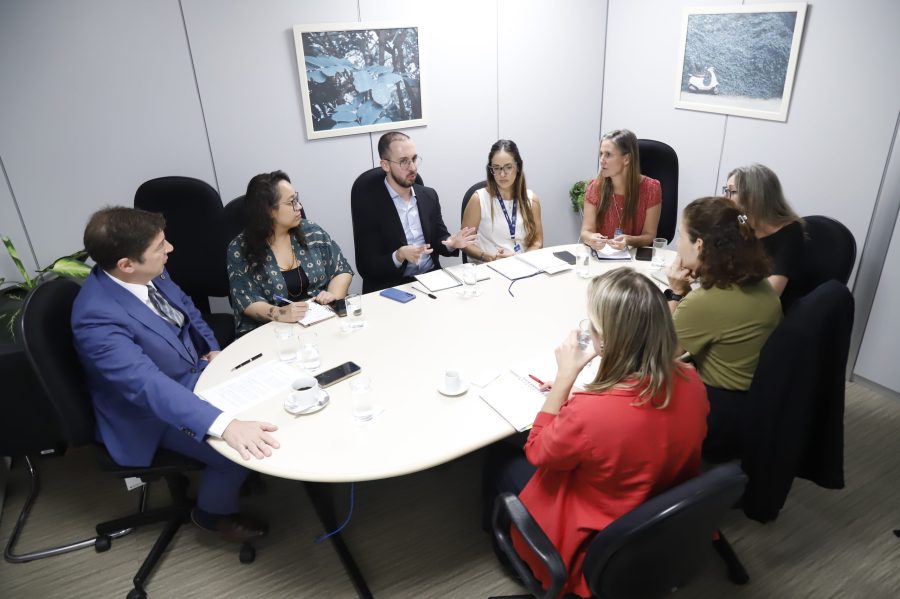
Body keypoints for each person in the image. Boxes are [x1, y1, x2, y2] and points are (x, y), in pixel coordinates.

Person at [486, 269, 709, 598]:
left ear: (605, 338)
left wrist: (565, 378)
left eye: (592, 324)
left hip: (597, 536)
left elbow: (537, 450)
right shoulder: (692, 380)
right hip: (654, 511)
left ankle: (510, 553)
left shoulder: (593, 413)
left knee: (500, 460)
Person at [72, 207, 279, 542]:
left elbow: (189, 310)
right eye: (160, 246)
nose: (169, 249)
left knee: (268, 392)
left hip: (192, 371)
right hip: (148, 410)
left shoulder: (148, 271)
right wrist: (226, 425)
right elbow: (147, 386)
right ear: (126, 264)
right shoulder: (96, 318)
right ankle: (211, 515)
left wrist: (213, 350)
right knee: (232, 454)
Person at [665, 196, 782, 460]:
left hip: (720, 414)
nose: (677, 244)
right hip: (754, 402)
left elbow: (660, 354)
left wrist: (675, 294)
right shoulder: (757, 281)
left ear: (699, 244)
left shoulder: (706, 302)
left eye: (681, 236)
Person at [227, 170, 353, 336]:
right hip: (273, 332)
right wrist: (281, 313)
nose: (299, 207)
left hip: (322, 321)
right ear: (268, 210)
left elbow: (341, 269)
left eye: (297, 199)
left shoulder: (311, 231)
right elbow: (246, 300)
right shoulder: (240, 249)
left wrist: (332, 296)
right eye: (291, 202)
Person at [351, 131, 477, 292]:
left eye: (414, 159)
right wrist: (398, 255)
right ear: (385, 165)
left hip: (431, 280)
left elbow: (439, 239)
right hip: (394, 286)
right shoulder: (369, 205)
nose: (413, 167)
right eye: (404, 162)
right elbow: (367, 266)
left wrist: (451, 244)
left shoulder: (428, 195)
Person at [724, 164, 804, 309]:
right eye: (726, 191)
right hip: (735, 299)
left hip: (764, 311)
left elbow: (771, 293)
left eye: (732, 192)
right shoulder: (741, 220)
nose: (725, 198)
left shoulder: (790, 231)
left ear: (755, 196)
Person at [461, 139, 543, 263]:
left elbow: (538, 241)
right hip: (489, 266)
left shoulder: (531, 199)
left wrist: (521, 259)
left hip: (523, 266)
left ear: (518, 167)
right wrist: (488, 256)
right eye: (496, 168)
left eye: (508, 167)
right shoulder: (479, 199)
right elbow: (464, 243)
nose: (502, 174)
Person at [579, 129, 661, 251]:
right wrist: (591, 238)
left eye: (608, 154)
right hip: (602, 256)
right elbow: (586, 232)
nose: (602, 160)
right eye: (601, 154)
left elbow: (649, 235)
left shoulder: (651, 189)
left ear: (626, 159)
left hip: (634, 259)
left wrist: (629, 240)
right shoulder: (594, 188)